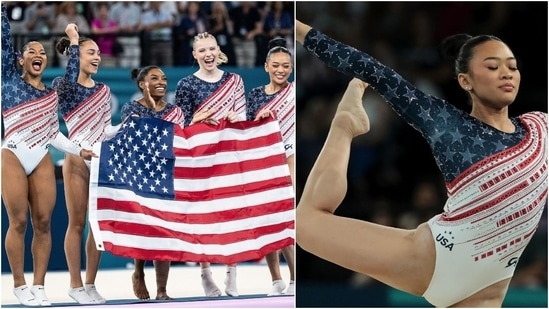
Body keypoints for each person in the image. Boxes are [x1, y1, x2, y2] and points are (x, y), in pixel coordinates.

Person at [295, 20, 547, 308]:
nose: (507, 74)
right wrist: (296, 28)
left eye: (512, 66)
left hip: (489, 289)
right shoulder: (447, 124)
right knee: (306, 225)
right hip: (434, 262)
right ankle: (345, 123)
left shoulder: (540, 127)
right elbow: (374, 72)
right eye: (493, 67)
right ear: (465, 81)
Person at [1, 4, 95, 306]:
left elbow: (53, 134)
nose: (38, 54)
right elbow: (4, 40)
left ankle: (39, 286)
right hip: (13, 154)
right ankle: (19, 284)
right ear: (20, 59)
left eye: (42, 51)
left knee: (43, 223)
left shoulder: (51, 93)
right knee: (19, 222)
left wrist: (77, 148)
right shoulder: (8, 80)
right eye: (31, 51)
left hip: (40, 155)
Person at [122, 65, 216, 301]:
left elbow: (182, 139)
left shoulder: (175, 111)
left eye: (164, 78)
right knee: (146, 229)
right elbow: (132, 138)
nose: (162, 81)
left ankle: (162, 290)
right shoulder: (131, 108)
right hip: (141, 173)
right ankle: (139, 271)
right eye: (155, 78)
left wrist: (194, 121)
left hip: (167, 175)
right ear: (143, 84)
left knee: (164, 232)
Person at [53, 23, 121, 305]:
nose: (97, 57)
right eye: (90, 52)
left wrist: (125, 125)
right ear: (76, 56)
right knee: (77, 223)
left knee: (98, 226)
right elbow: (70, 80)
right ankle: (74, 284)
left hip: (99, 159)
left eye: (98, 54)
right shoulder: (62, 85)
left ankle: (90, 283)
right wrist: (74, 40)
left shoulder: (104, 91)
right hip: (76, 159)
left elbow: (105, 130)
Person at [174, 31, 246, 297]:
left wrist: (235, 116)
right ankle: (206, 274)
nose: (208, 54)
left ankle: (232, 274)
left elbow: (243, 115)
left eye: (211, 49)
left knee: (230, 214)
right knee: (202, 217)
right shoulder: (186, 85)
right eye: (202, 50)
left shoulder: (234, 80)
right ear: (194, 55)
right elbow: (179, 126)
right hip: (200, 157)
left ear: (218, 50)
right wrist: (194, 120)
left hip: (228, 153)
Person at [246, 38, 295, 296]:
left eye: (286, 65)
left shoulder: (294, 92)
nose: (281, 70)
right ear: (266, 66)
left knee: (285, 215)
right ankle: (276, 280)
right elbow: (248, 128)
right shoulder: (255, 95)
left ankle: (296, 279)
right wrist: (256, 119)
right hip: (263, 158)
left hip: (289, 155)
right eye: (275, 65)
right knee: (266, 220)